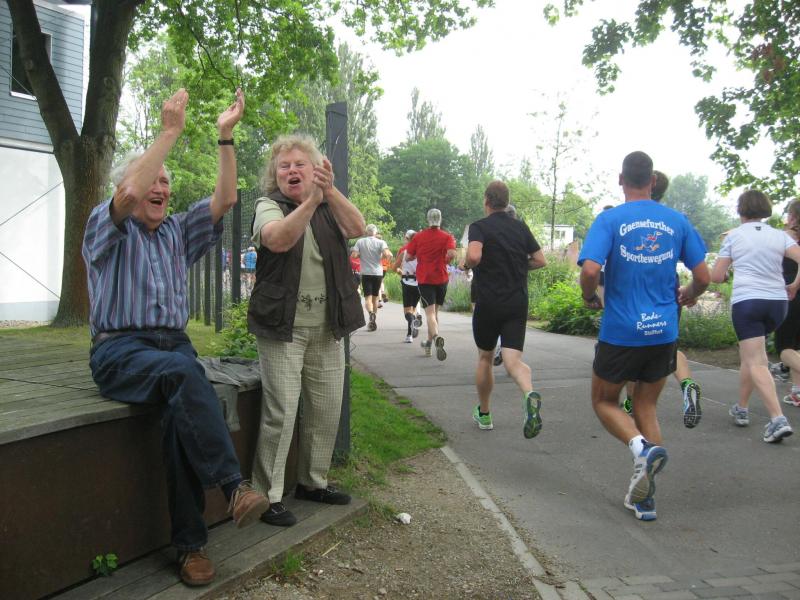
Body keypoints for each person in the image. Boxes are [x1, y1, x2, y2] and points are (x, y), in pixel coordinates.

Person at [82, 88, 269, 586]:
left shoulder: (175, 232)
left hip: (174, 353)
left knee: (176, 413)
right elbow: (127, 195)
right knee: (185, 373)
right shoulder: (104, 226)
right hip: (120, 352)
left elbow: (226, 199)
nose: (161, 187)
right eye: (153, 179)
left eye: (166, 181)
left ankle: (190, 547)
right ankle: (234, 488)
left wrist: (225, 136)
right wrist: (169, 133)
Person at [579, 151, 709, 521]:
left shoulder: (610, 220)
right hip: (662, 331)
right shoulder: (677, 220)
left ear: (621, 179)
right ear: (652, 181)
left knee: (604, 401)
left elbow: (590, 270)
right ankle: (645, 499)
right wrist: (689, 294)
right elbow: (704, 276)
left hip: (622, 331)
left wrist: (589, 297)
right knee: (646, 406)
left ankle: (641, 448)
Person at [248, 133, 365, 528]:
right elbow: (278, 240)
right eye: (284, 166)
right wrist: (312, 202)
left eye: (300, 164)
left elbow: (358, 226)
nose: (292, 171)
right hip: (283, 328)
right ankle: (266, 496)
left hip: (327, 326)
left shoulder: (328, 204)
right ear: (275, 174)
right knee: (281, 412)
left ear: (315, 170)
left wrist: (328, 192)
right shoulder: (268, 206)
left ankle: (313, 482)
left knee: (326, 408)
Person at [710, 190, 800, 442]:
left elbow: (716, 276)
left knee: (757, 361)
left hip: (748, 302)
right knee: (750, 356)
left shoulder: (734, 236)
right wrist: (794, 284)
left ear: (741, 210)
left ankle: (777, 419)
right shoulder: (780, 236)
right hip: (777, 304)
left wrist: (725, 274)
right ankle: (741, 407)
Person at [462, 181, 547, 436]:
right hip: (516, 302)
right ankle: (529, 393)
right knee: (512, 361)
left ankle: (485, 413)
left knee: (485, 358)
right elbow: (540, 260)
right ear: (506, 201)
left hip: (489, 302)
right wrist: (519, 266)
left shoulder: (479, 227)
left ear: (486, 201)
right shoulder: (520, 227)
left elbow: (474, 256)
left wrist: (468, 264)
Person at [620, 170, 703, 428]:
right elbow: (702, 270)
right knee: (669, 347)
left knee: (633, 349)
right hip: (669, 294)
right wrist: (692, 292)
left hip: (633, 295)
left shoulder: (625, 218)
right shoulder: (675, 220)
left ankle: (631, 402)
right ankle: (687, 383)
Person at [405, 208, 457, 359]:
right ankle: (428, 344)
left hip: (425, 278)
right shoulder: (447, 236)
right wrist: (446, 260)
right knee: (435, 313)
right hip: (441, 277)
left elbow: (408, 256)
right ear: (440, 219)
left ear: (428, 219)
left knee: (429, 314)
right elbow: (452, 253)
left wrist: (417, 256)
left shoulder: (418, 237)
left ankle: (435, 338)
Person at [774, 199, 800, 405]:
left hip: (791, 294)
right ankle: (797, 392)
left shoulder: (785, 238)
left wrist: (794, 285)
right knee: (796, 347)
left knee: (784, 348)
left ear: (792, 217)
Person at [351, 224, 392, 331]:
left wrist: (361, 255)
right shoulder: (381, 242)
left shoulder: (360, 242)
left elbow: (354, 255)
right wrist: (384, 257)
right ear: (375, 232)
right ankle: (373, 319)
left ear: (366, 232)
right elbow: (388, 254)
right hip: (378, 273)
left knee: (368, 298)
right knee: (375, 298)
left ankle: (370, 313)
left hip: (366, 273)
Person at [392, 229, 424, 343]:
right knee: (414, 308)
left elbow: (394, 268)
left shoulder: (404, 252)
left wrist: (401, 272)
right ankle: (411, 330)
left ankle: (410, 333)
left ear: (408, 239)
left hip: (406, 282)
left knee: (407, 312)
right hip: (419, 283)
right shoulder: (423, 253)